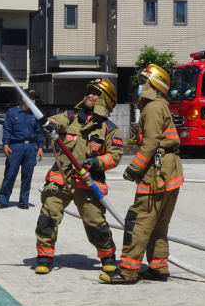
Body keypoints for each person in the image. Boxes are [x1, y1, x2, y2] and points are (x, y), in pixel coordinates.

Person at [101, 64, 183, 284]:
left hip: (157, 173)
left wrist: (134, 169)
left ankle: (128, 272)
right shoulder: (160, 106)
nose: (139, 86)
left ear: (152, 83)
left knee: (139, 221)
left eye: (143, 81)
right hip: (170, 171)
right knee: (158, 225)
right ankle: (159, 267)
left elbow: (152, 144)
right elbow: (157, 138)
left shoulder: (153, 107)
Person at [33, 79, 123, 275]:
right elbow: (55, 121)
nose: (89, 95)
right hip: (61, 179)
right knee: (48, 217)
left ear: (104, 100)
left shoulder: (109, 128)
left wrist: (93, 163)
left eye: (95, 93)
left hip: (89, 183)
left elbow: (115, 156)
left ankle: (107, 256)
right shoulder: (72, 117)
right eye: (89, 91)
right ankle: (44, 257)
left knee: (95, 223)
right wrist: (50, 126)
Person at [0, 88, 44, 210]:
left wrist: (40, 147)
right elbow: (7, 129)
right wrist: (5, 145)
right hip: (15, 146)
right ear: (24, 99)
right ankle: (3, 199)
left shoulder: (35, 114)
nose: (32, 100)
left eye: (34, 99)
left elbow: (39, 132)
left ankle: (24, 201)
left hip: (30, 147)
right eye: (30, 98)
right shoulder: (12, 112)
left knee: (27, 175)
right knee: (10, 174)